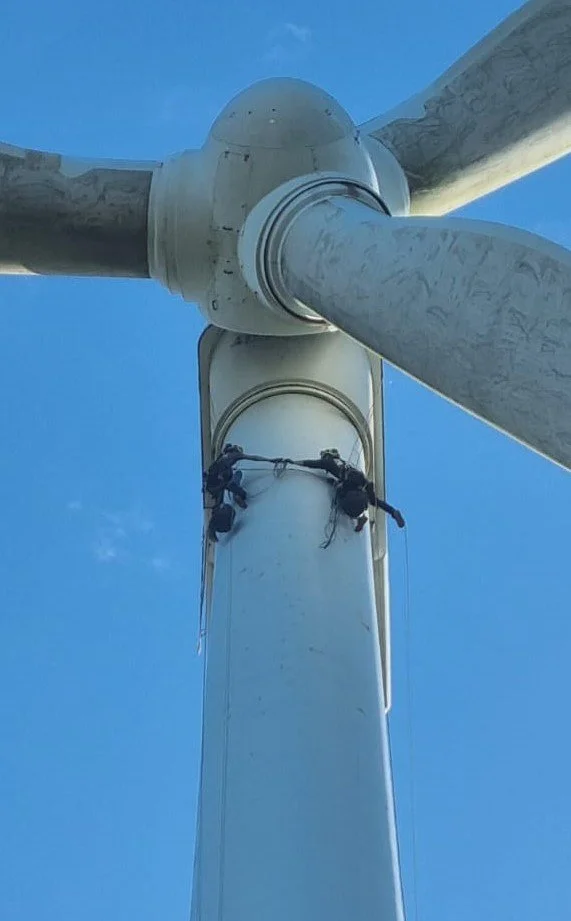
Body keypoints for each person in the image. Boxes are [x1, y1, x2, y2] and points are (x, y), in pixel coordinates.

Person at [292, 448, 405, 532]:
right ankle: (392, 512)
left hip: (350, 489)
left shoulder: (329, 462)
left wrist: (293, 462)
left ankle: (360, 517)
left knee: (340, 492)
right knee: (373, 500)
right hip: (361, 487)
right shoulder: (345, 464)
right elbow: (376, 501)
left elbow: (312, 464)